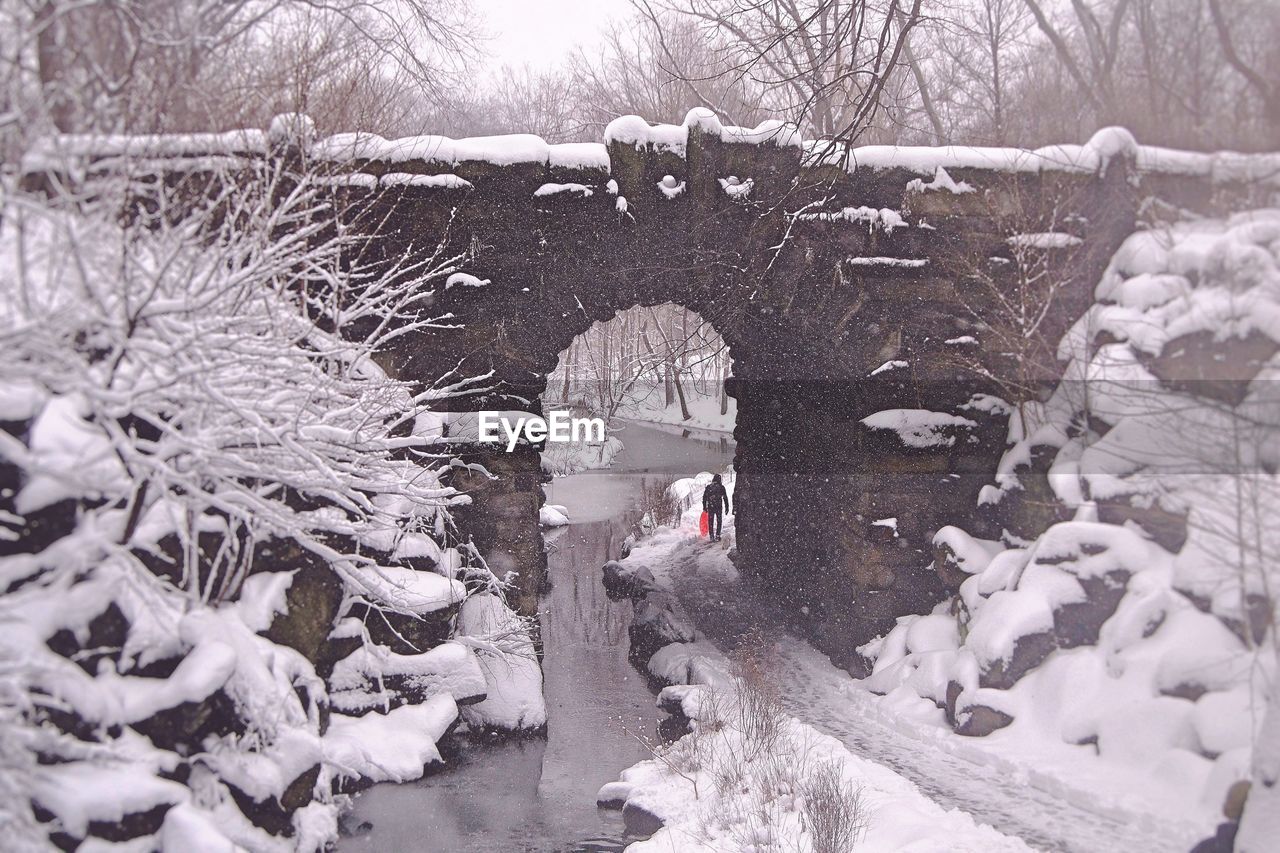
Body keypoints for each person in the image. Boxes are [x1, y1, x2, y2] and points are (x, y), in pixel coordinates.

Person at [701, 473, 731, 542]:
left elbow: (704, 498)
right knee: (719, 521)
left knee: (710, 521)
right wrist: (727, 507)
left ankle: (711, 536)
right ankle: (717, 535)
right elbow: (725, 498)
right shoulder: (721, 487)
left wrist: (704, 507)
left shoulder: (708, 487)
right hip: (718, 506)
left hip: (711, 506)